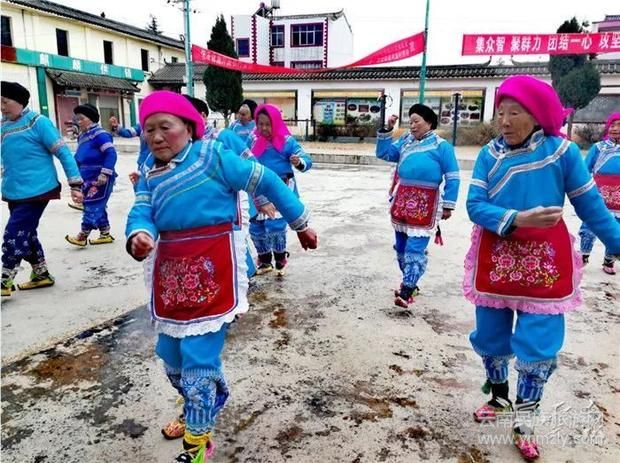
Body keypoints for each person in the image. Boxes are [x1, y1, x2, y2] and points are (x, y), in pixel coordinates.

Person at [125, 90, 317, 462]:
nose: (156, 137)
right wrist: (139, 235)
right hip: (170, 274)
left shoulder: (213, 156)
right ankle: (206, 397)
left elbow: (268, 181)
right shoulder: (149, 171)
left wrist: (300, 224)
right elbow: (141, 210)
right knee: (171, 358)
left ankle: (197, 443)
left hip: (213, 270)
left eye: (165, 127)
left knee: (198, 360)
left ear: (189, 127)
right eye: (149, 130)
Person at [463, 75, 620, 461]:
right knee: (491, 337)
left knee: (538, 345)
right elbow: (475, 206)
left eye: (514, 113)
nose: (504, 121)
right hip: (496, 258)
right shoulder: (489, 155)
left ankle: (525, 420)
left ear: (537, 115)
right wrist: (518, 219)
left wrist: (617, 242)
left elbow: (592, 207)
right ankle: (499, 398)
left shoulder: (562, 153)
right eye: (500, 113)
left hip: (546, 263)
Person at [1, 81, 83, 297]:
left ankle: (4, 279)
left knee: (14, 233)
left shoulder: (38, 123)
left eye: (5, 102)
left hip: (38, 190)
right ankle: (41, 274)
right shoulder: (3, 126)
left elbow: (63, 153)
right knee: (26, 233)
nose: (1, 107)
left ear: (19, 101)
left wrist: (75, 184)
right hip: (13, 190)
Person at [376, 104, 460, 308]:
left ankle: (406, 291)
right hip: (402, 200)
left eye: (416, 121)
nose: (412, 125)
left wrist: (448, 205)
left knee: (415, 248)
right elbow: (384, 154)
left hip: (426, 202)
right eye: (410, 122)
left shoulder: (442, 146)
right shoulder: (405, 140)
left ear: (429, 123)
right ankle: (410, 282)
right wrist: (388, 129)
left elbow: (453, 176)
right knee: (401, 247)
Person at [247, 103, 313, 276]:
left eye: (268, 124)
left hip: (280, 189)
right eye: (260, 124)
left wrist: (299, 161)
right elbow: (243, 157)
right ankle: (264, 260)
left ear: (276, 123)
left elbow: (306, 159)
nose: (263, 128)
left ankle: (280, 259)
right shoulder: (252, 140)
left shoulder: (287, 141)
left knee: (275, 225)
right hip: (257, 189)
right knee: (256, 226)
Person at [65, 104, 118, 247]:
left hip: (100, 177)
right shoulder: (83, 136)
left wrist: (104, 173)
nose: (79, 122)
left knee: (91, 204)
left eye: (82, 119)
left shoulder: (101, 135)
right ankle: (105, 234)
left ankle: (82, 236)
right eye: (77, 119)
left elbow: (111, 154)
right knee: (97, 203)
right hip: (86, 176)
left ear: (91, 119)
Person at [578, 112, 620, 274]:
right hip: (598, 195)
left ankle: (609, 261)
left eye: (619, 126)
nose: (615, 129)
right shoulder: (598, 148)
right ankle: (583, 257)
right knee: (589, 226)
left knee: (615, 229)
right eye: (613, 125)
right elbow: (583, 170)